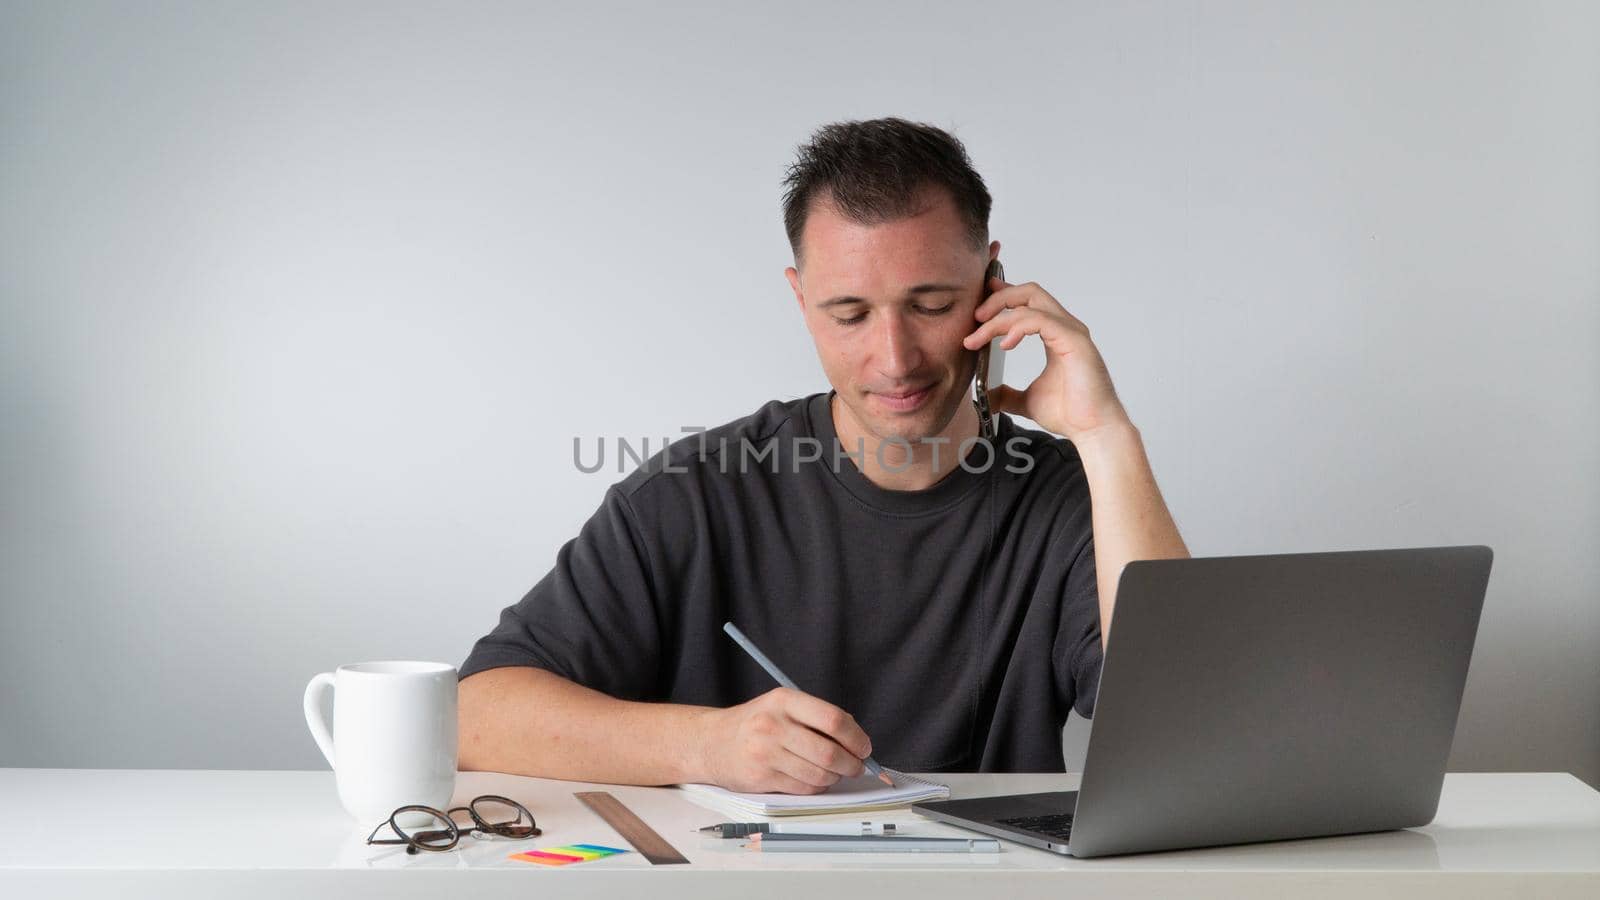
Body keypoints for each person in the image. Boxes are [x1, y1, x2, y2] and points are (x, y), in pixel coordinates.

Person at [457, 117, 1189, 793]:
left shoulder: (1073, 498)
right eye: (850, 314)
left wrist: (1106, 435)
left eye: (931, 305)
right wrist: (705, 746)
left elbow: (1180, 731)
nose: (894, 359)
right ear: (800, 298)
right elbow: (474, 715)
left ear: (993, 287)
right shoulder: (693, 494)